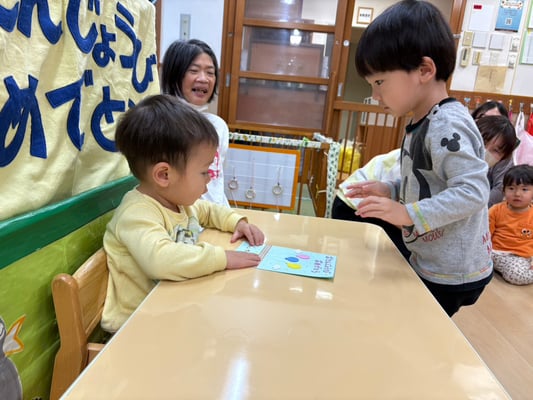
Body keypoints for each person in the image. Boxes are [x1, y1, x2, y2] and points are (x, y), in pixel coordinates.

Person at [347, 0, 492, 317]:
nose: (375, 95)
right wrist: (391, 190)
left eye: (379, 82)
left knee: (417, 329)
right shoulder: (421, 122)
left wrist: (406, 213)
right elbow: (428, 183)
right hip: (432, 258)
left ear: (425, 70)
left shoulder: (446, 125)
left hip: (452, 272)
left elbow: (473, 191)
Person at [101, 95, 265, 332]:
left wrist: (236, 222)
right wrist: (222, 258)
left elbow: (207, 210)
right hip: (138, 327)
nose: (209, 178)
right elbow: (161, 260)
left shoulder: (178, 202)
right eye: (204, 172)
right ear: (164, 175)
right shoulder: (137, 213)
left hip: (172, 311)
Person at [332, 112, 516, 261]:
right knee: (399, 257)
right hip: (355, 204)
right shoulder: (435, 156)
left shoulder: (470, 173)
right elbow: (400, 203)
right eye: (483, 141)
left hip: (384, 209)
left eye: (495, 150)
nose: (485, 150)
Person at [161, 39, 230, 206]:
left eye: (210, 72)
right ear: (174, 74)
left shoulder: (218, 126)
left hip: (215, 216)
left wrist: (228, 215)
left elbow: (216, 183)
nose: (204, 79)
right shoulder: (160, 124)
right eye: (194, 70)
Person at [489, 164, 533, 285]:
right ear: (504, 190)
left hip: (523, 256)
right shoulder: (496, 210)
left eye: (524, 189)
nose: (517, 194)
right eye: (511, 188)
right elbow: (485, 234)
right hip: (496, 253)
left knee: (518, 271)